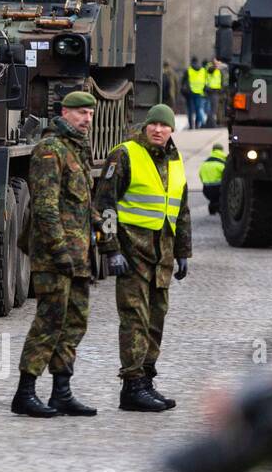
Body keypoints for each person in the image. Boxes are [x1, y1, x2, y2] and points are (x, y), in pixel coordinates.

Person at [95, 103, 191, 412]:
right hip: (132, 252)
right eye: (154, 125)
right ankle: (132, 386)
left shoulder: (175, 161)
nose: (159, 130)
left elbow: (182, 210)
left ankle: (147, 380)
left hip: (162, 255)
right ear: (146, 126)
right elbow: (104, 204)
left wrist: (183, 253)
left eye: (164, 126)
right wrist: (110, 249)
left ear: (171, 130)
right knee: (135, 318)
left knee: (157, 319)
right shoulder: (124, 154)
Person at [12, 91, 98, 418]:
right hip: (55, 256)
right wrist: (60, 252)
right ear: (64, 112)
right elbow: (46, 208)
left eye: (90, 113)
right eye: (80, 113)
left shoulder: (78, 150)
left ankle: (61, 391)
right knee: (49, 322)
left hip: (77, 256)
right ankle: (25, 392)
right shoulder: (51, 151)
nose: (86, 118)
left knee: (74, 323)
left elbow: (82, 207)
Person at [199, 142, 227, 215]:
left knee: (213, 199)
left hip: (206, 189)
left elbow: (201, 175)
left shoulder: (205, 164)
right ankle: (219, 207)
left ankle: (212, 207)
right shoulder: (222, 163)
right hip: (219, 189)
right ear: (222, 150)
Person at [186, 57, 208, 129]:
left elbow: (184, 82)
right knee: (198, 109)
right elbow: (206, 82)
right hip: (200, 93)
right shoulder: (203, 70)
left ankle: (191, 126)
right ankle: (197, 125)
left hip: (190, 93)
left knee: (190, 111)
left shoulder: (189, 70)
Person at [206, 58, 225, 128]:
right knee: (213, 109)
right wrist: (215, 65)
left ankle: (212, 123)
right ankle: (211, 124)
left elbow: (221, 80)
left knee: (214, 109)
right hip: (211, 91)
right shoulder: (210, 67)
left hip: (217, 92)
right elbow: (210, 70)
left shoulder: (219, 70)